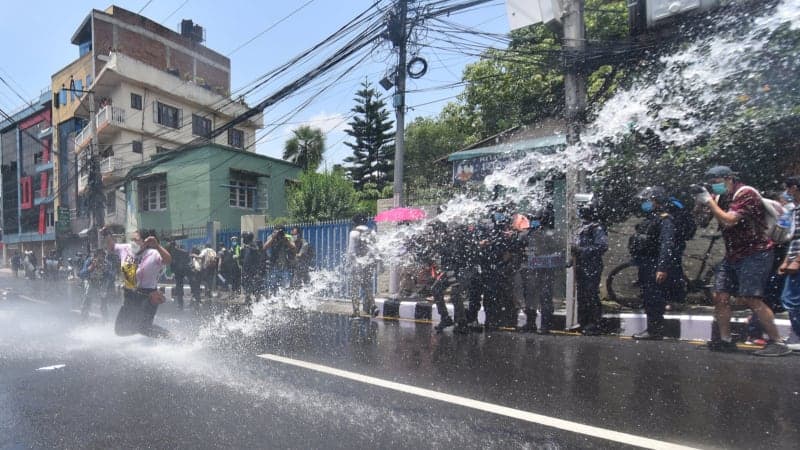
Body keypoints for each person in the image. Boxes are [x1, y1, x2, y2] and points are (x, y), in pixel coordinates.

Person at [695, 165, 790, 356]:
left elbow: (729, 220)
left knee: (751, 298)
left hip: (756, 253)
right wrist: (699, 203)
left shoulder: (746, 193)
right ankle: (725, 340)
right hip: (733, 254)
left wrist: (711, 203)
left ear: (728, 178)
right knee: (720, 296)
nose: (714, 188)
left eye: (716, 183)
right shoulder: (720, 197)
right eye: (711, 185)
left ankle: (777, 343)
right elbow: (702, 222)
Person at [629, 187, 684, 340]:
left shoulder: (665, 220)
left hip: (654, 263)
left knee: (654, 298)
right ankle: (653, 328)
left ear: (657, 202)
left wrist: (662, 267)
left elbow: (667, 245)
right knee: (648, 297)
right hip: (646, 263)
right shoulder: (651, 219)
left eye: (649, 200)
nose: (646, 203)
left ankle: (655, 330)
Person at [106, 228, 172, 338]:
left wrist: (157, 246)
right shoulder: (126, 249)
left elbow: (168, 260)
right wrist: (107, 234)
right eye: (131, 239)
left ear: (145, 242)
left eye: (136, 240)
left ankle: (172, 338)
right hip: (130, 295)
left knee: (143, 327)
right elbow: (112, 247)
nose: (133, 242)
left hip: (148, 295)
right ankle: (152, 333)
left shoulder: (153, 253)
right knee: (121, 330)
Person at [516, 206, 563, 334]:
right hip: (539, 272)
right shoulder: (549, 235)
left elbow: (519, 246)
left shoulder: (540, 235)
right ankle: (539, 325)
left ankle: (538, 324)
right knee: (539, 298)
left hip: (538, 272)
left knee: (538, 298)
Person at [572, 194, 608, 336]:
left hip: (592, 265)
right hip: (582, 265)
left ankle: (594, 323)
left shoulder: (597, 228)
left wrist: (581, 250)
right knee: (582, 295)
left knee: (590, 294)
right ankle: (583, 322)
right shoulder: (583, 227)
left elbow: (602, 247)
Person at [778, 175, 800, 351]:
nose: (786, 192)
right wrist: (786, 261)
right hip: (793, 260)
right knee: (790, 298)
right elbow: (793, 239)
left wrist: (797, 261)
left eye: (788, 188)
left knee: (792, 299)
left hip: (798, 262)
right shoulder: (794, 211)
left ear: (794, 188)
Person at [347, 214, 378, 318]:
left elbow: (351, 252)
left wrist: (350, 264)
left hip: (357, 265)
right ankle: (373, 305)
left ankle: (356, 311)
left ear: (355, 222)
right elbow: (375, 249)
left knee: (354, 288)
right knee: (367, 285)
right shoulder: (372, 232)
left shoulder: (354, 233)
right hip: (368, 263)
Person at [263, 225, 295, 297]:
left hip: (285, 266)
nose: (279, 234)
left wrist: (286, 241)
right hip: (273, 266)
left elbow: (293, 247)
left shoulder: (288, 237)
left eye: (281, 232)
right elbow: (264, 247)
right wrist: (273, 238)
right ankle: (273, 300)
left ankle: (285, 301)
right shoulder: (271, 237)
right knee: (272, 285)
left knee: (286, 286)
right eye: (277, 232)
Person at [80, 248, 111, 320]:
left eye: (102, 257)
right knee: (88, 295)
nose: (100, 260)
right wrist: (90, 268)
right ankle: (84, 317)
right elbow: (81, 274)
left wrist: (105, 270)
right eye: (98, 257)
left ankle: (105, 318)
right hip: (90, 281)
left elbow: (112, 277)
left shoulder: (107, 264)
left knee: (103, 297)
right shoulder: (89, 262)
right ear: (94, 257)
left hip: (102, 282)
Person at [166, 241, 191, 311]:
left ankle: (180, 304)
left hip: (179, 271)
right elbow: (188, 258)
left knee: (179, 287)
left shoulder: (171, 252)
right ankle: (181, 303)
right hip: (182, 271)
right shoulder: (182, 251)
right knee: (180, 287)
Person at [240, 232, 262, 304]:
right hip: (246, 269)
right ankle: (248, 298)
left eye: (244, 238)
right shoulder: (246, 247)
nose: (243, 240)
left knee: (254, 285)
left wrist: (249, 247)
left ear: (248, 238)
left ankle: (258, 300)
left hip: (252, 270)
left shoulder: (253, 244)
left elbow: (256, 249)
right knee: (246, 284)